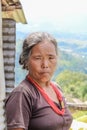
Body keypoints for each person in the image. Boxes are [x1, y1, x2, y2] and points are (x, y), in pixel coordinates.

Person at [5, 32, 73, 130]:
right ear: (26, 60)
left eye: (51, 58)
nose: (45, 64)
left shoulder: (56, 88)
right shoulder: (22, 94)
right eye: (38, 58)